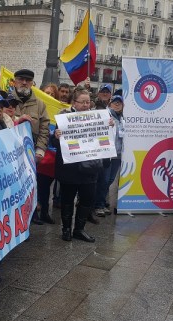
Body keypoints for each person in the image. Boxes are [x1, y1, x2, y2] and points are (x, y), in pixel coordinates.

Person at [53, 89, 103, 242]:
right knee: (67, 199)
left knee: (87, 199)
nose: (86, 105)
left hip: (90, 167)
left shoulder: (97, 118)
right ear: (74, 103)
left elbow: (104, 137)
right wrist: (56, 136)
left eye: (88, 102)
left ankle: (79, 229)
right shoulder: (63, 117)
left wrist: (109, 126)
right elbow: (55, 143)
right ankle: (66, 229)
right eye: (82, 102)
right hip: (70, 168)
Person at [11, 68, 50, 224]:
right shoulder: (6, 100)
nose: (24, 83)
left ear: (33, 83)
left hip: (31, 152)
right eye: (21, 79)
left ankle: (31, 215)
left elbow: (44, 129)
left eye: (28, 80)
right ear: (14, 81)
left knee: (30, 186)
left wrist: (40, 150)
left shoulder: (40, 104)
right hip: (10, 154)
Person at [94, 95, 125, 216]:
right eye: (114, 102)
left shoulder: (123, 118)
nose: (117, 104)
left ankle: (101, 202)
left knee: (110, 180)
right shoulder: (105, 115)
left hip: (118, 155)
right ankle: (98, 205)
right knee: (104, 180)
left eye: (119, 103)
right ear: (110, 104)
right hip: (107, 154)